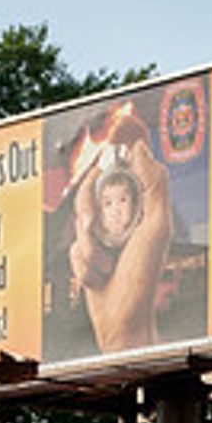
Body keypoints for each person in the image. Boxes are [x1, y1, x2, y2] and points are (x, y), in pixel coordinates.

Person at [68, 130, 172, 353]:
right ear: (98, 209)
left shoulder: (147, 215)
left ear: (137, 204)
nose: (115, 211)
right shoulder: (97, 240)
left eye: (123, 200)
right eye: (107, 204)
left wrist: (131, 136)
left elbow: (132, 132)